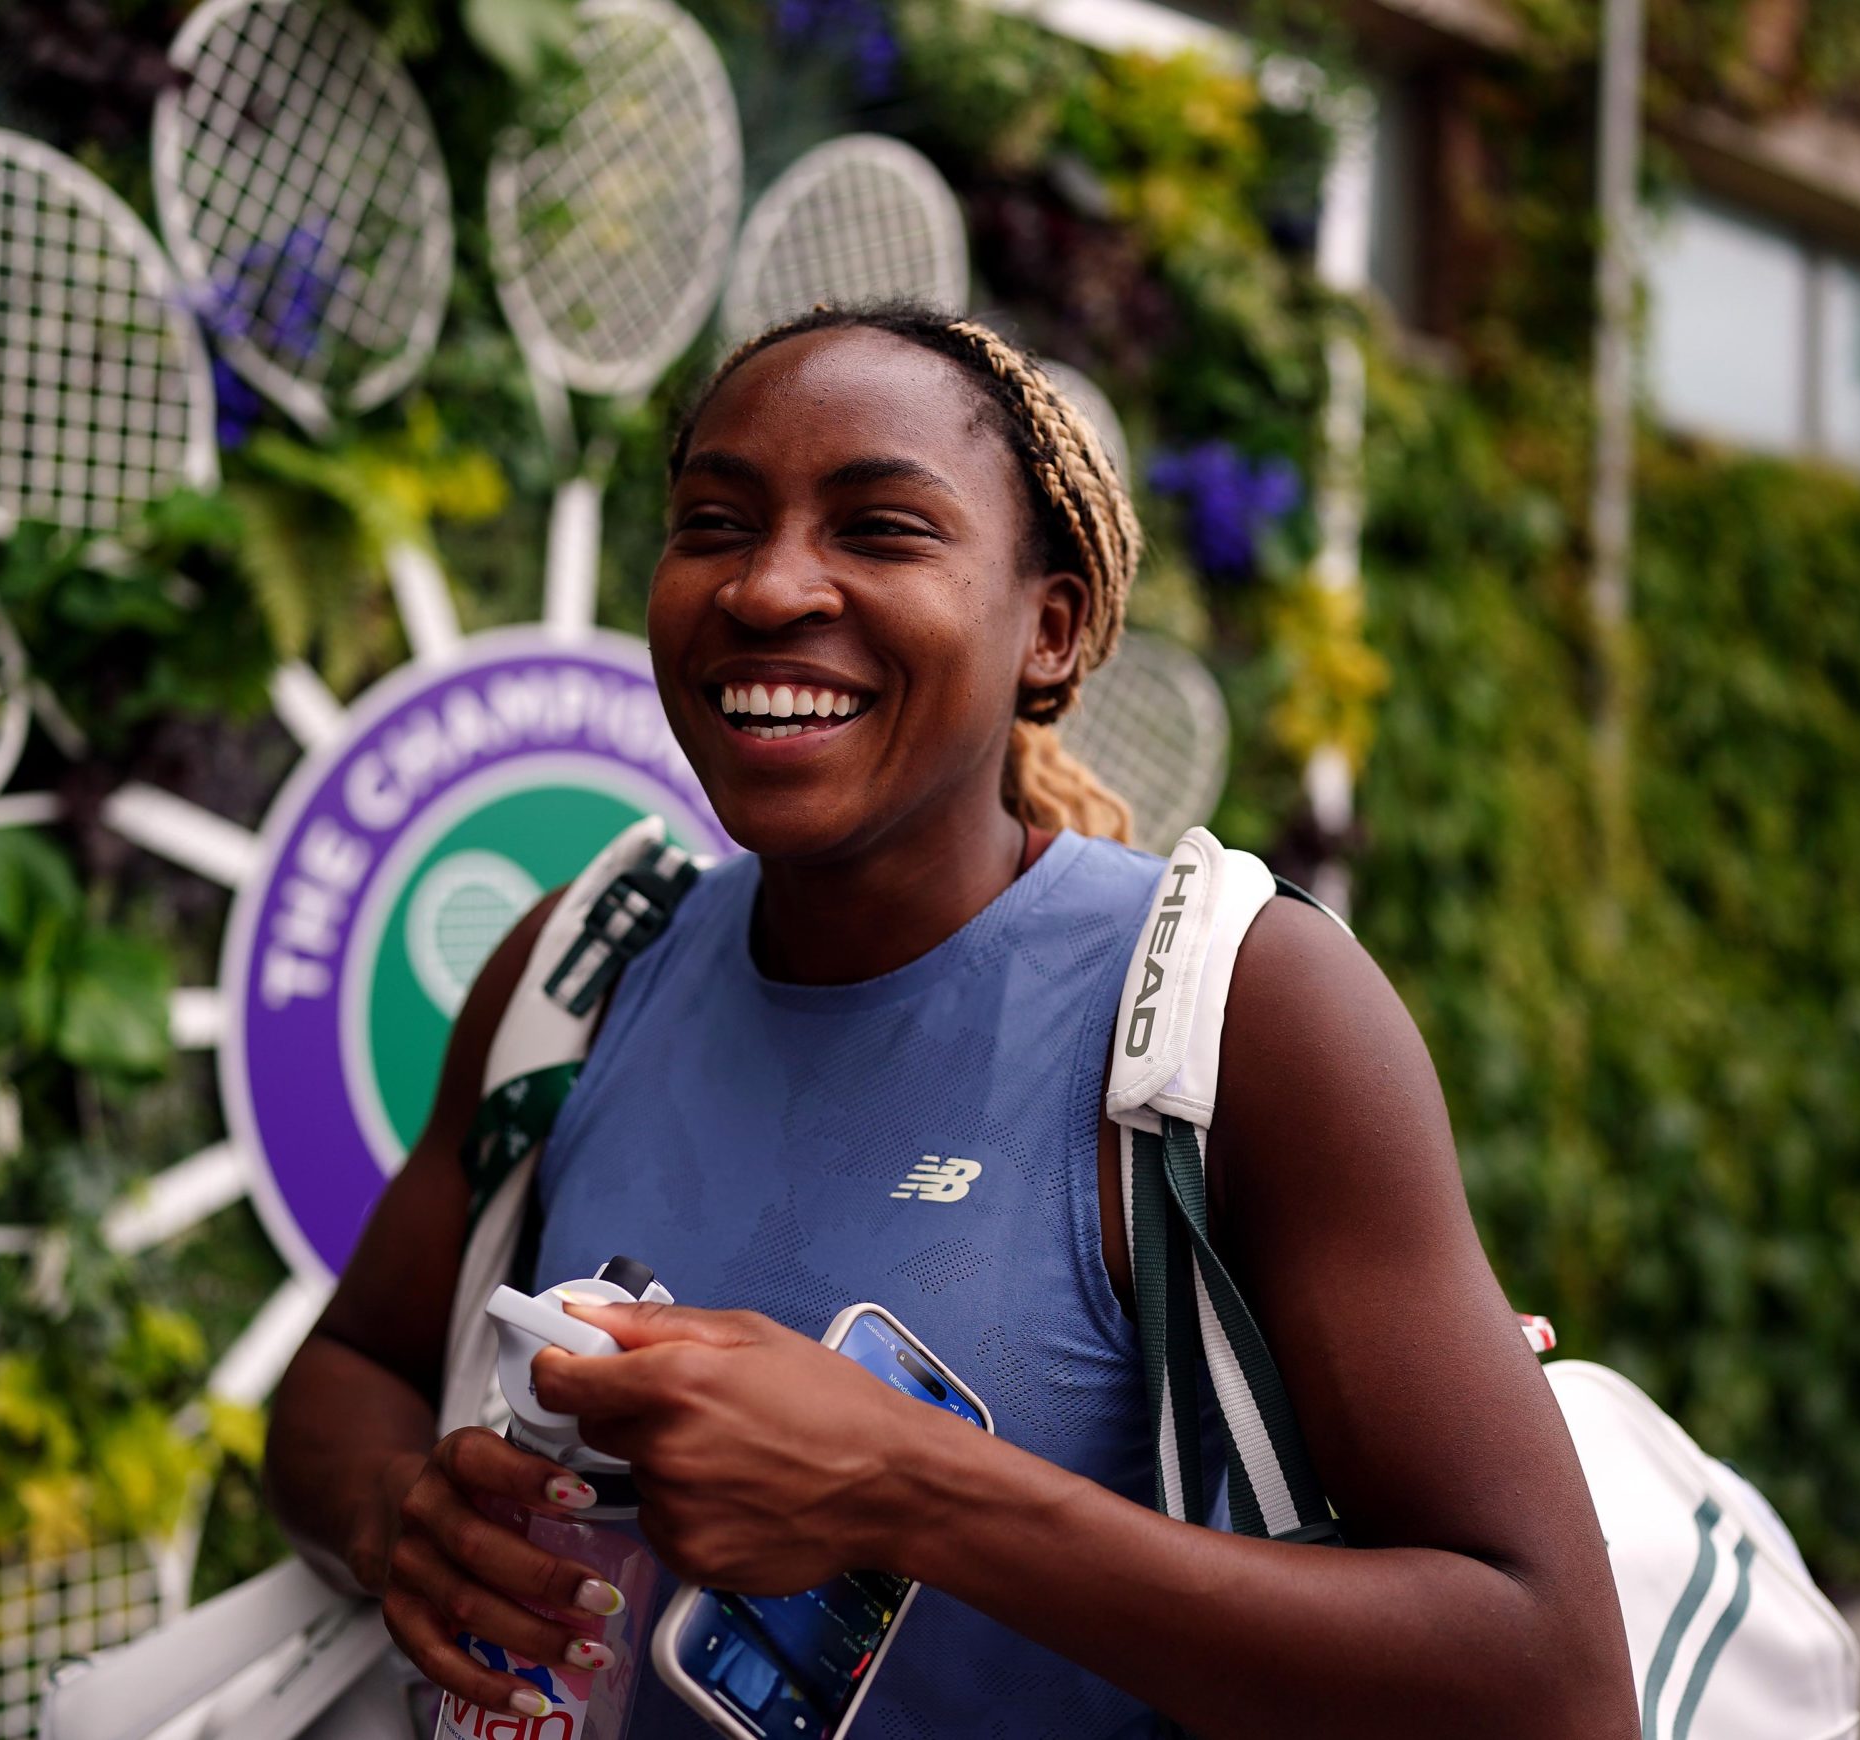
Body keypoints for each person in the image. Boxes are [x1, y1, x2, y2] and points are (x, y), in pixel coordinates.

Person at [264, 304, 1638, 1738]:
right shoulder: (579, 970)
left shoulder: (1244, 1014)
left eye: (882, 530)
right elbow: (348, 1372)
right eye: (716, 523)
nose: (769, 586)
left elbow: (1551, 1676)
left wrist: (909, 1488)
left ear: (1049, 633)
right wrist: (400, 1521)